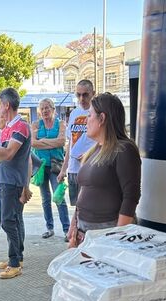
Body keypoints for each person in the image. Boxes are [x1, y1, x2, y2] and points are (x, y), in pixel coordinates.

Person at [66, 92, 140, 247]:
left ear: (102, 118)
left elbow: (130, 197)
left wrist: (118, 239)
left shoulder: (124, 149)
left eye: (90, 115)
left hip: (107, 233)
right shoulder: (94, 151)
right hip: (84, 233)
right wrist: (73, 226)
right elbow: (83, 191)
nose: (86, 120)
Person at [0, 88, 32, 280]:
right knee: (12, 220)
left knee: (8, 221)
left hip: (12, 182)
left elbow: (8, 154)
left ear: (6, 105)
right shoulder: (8, 128)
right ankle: (15, 257)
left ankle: (15, 262)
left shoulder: (20, 127)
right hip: (4, 181)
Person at [0, 115, 35, 259]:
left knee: (13, 220)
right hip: (2, 184)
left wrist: (25, 187)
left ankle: (16, 257)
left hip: (14, 184)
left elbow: (27, 162)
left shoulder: (18, 133)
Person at [31, 98, 70, 240]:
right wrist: (50, 143)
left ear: (53, 109)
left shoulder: (60, 124)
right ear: (39, 111)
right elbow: (33, 143)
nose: (45, 110)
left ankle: (67, 230)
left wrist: (42, 142)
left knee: (58, 196)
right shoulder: (36, 124)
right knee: (45, 198)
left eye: (47, 107)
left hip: (56, 164)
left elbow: (61, 141)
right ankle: (50, 228)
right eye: (42, 108)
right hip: (41, 165)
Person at [57, 80, 96, 206]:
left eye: (85, 94)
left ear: (93, 94)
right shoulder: (74, 113)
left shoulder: (98, 113)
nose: (81, 98)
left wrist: (90, 155)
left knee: (89, 207)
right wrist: (63, 169)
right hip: (73, 170)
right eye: (78, 95)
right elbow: (71, 144)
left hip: (91, 168)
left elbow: (105, 141)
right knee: (77, 209)